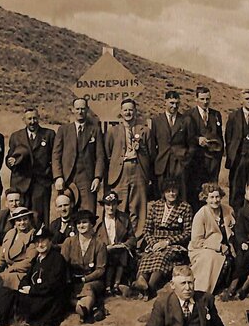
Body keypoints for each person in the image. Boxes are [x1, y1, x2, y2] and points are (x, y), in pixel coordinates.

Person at [0, 227, 69, 326]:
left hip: (48, 301)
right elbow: (26, 277)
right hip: (35, 296)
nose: (40, 245)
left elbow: (54, 285)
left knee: (10, 295)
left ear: (50, 241)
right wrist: (23, 286)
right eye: (37, 242)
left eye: (43, 241)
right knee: (7, 290)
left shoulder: (57, 259)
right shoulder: (37, 259)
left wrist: (32, 290)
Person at [133, 177, 194, 298]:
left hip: (173, 245)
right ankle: (141, 282)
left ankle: (149, 288)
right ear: (163, 193)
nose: (171, 193)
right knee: (146, 258)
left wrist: (167, 242)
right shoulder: (156, 206)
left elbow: (187, 232)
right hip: (155, 244)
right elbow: (147, 230)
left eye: (174, 190)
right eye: (168, 191)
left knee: (161, 257)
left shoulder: (185, 207)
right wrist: (153, 244)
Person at [105, 98, 152, 237]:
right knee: (119, 205)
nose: (128, 112)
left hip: (138, 170)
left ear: (135, 111)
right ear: (121, 112)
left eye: (131, 109)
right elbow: (108, 154)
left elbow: (150, 154)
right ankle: (119, 237)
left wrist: (140, 148)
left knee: (138, 206)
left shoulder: (144, 130)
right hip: (120, 172)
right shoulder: (113, 131)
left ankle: (138, 238)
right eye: (125, 110)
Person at [53, 97, 106, 213]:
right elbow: (56, 155)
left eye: (82, 109)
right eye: (77, 109)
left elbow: (100, 156)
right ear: (72, 110)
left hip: (87, 179)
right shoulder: (63, 130)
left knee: (88, 212)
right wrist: (58, 177)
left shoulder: (95, 130)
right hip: (67, 179)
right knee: (67, 212)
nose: (80, 112)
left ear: (87, 109)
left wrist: (97, 177)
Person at [6, 107, 55, 226]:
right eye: (29, 119)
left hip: (41, 183)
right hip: (21, 183)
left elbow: (55, 157)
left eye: (34, 118)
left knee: (40, 217)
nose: (32, 121)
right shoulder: (16, 136)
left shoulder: (49, 134)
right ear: (24, 120)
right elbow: (9, 157)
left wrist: (50, 175)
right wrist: (10, 161)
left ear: (38, 119)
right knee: (21, 217)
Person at [61, 209, 108, 323]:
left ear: (91, 224)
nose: (81, 225)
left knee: (88, 288)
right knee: (65, 293)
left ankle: (85, 309)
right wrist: (68, 279)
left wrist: (85, 279)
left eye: (84, 222)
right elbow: (63, 264)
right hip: (72, 279)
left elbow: (100, 269)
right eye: (78, 223)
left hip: (93, 280)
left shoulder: (99, 244)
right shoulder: (69, 242)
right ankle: (84, 308)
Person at [150, 90, 197, 201]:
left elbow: (192, 144)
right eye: (171, 103)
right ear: (165, 102)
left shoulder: (186, 120)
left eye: (176, 103)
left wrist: (185, 161)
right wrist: (156, 162)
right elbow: (152, 145)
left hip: (179, 164)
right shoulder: (156, 121)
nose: (174, 106)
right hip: (162, 165)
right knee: (162, 196)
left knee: (180, 195)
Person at [188, 183, 233, 295]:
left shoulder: (228, 210)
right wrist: (218, 246)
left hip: (227, 247)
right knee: (211, 258)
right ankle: (202, 290)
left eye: (217, 197)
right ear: (206, 199)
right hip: (202, 248)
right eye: (211, 197)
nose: (215, 200)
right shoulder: (201, 214)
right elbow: (196, 241)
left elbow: (234, 229)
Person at [186, 87, 225, 209]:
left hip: (212, 161)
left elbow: (219, 136)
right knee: (195, 191)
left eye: (207, 99)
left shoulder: (216, 115)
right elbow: (185, 137)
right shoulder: (188, 115)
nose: (205, 102)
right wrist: (197, 139)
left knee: (211, 191)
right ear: (196, 98)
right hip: (196, 161)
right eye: (202, 99)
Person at [0, 206, 38, 303]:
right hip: (7, 271)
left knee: (2, 280)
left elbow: (29, 261)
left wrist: (8, 271)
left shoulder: (32, 235)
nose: (22, 223)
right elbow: (1, 256)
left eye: (25, 219)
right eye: (18, 220)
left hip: (21, 273)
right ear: (14, 222)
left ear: (29, 220)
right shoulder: (10, 234)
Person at [96, 192, 135, 295]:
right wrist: (104, 247)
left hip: (119, 250)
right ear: (104, 206)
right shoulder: (98, 222)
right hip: (103, 251)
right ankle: (107, 286)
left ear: (117, 205)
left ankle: (116, 285)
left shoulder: (124, 219)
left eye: (114, 204)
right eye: (108, 204)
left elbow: (132, 238)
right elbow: (93, 241)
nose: (111, 207)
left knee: (121, 253)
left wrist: (125, 244)